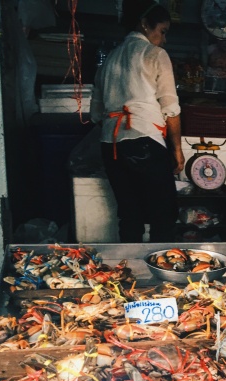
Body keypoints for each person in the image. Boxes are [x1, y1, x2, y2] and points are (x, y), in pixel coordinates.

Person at [90, 0, 184, 243]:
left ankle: (130, 271)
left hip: (110, 145)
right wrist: (176, 151)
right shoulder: (155, 54)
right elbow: (171, 109)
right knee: (163, 216)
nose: (164, 39)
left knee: (130, 215)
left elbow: (96, 113)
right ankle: (160, 274)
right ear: (144, 24)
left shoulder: (110, 57)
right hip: (144, 142)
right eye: (162, 31)